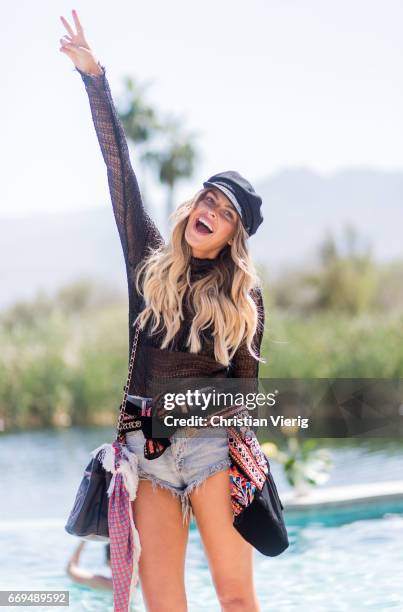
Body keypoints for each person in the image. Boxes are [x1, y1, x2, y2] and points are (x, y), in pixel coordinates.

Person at [59, 9, 266, 612]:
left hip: (209, 451)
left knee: (235, 599)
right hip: (145, 456)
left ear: (233, 236)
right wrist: (94, 79)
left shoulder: (241, 301)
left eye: (225, 213)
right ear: (193, 205)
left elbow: (245, 397)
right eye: (208, 199)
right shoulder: (147, 261)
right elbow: (119, 171)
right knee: (163, 605)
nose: (210, 211)